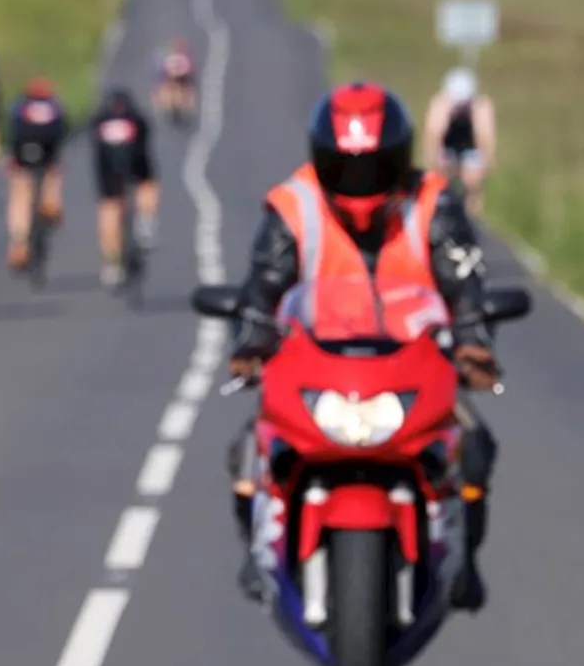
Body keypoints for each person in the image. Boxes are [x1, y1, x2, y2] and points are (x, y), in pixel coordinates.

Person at [223, 81, 502, 608]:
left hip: (413, 373)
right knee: (248, 451)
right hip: (315, 372)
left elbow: (466, 286)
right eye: (345, 166)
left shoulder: (434, 203)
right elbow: (263, 286)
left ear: (398, 159)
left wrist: (473, 345)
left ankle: (464, 561)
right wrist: (252, 342)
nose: (359, 181)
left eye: (373, 166)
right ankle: (259, 551)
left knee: (475, 449)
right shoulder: (293, 206)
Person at [88, 84, 159, 289]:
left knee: (109, 205)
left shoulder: (100, 120)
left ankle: (111, 264)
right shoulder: (136, 118)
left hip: (107, 166)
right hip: (136, 161)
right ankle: (146, 221)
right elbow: (146, 141)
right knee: (146, 181)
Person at [4, 76, 68, 273]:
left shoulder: (20, 105)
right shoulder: (54, 105)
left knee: (20, 191)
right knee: (53, 169)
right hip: (48, 151)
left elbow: (10, 131)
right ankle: (52, 201)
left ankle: (18, 245)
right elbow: (65, 129)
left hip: (22, 150)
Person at [421, 67, 497, 218]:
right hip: (448, 142)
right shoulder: (440, 105)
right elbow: (433, 136)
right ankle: (442, 213)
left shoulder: (481, 106)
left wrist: (486, 163)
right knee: (441, 180)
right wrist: (435, 163)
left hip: (470, 144)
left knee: (472, 182)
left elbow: (486, 137)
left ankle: (472, 220)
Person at [154, 38, 198, 123]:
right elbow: (162, 70)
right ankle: (162, 107)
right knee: (162, 90)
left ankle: (188, 107)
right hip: (169, 79)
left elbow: (188, 69)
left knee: (188, 90)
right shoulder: (167, 58)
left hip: (181, 79)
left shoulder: (183, 58)